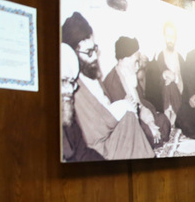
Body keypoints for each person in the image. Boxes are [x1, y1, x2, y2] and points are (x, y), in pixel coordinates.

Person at [61, 12, 154, 160]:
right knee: (133, 124)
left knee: (132, 121)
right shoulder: (72, 86)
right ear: (73, 53)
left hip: (111, 133)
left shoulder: (91, 74)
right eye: (88, 52)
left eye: (95, 49)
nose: (95, 57)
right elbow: (92, 135)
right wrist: (120, 109)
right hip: (99, 148)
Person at [103, 36, 171, 148]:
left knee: (164, 122)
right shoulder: (113, 82)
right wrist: (148, 125)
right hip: (129, 123)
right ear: (125, 59)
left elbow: (141, 102)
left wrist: (151, 121)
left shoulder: (130, 74)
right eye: (136, 61)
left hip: (142, 116)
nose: (137, 66)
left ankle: (152, 137)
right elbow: (124, 117)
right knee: (147, 134)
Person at [145, 21, 184, 125]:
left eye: (172, 36)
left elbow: (184, 81)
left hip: (178, 94)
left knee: (170, 84)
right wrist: (165, 74)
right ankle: (170, 121)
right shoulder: (160, 56)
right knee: (168, 85)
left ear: (175, 38)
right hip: (164, 94)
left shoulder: (180, 57)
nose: (170, 39)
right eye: (168, 36)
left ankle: (170, 121)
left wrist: (174, 77)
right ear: (164, 37)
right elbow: (157, 79)